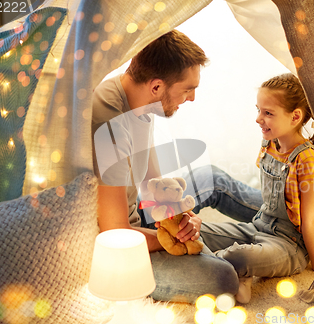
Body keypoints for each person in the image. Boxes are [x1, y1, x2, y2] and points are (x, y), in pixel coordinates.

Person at [92, 30, 258, 303]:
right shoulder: (111, 125)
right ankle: (259, 239)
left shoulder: (143, 101)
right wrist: (170, 239)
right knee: (222, 277)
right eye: (188, 89)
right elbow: (116, 232)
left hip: (137, 219)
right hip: (115, 247)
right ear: (156, 87)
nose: (192, 98)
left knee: (212, 178)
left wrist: (183, 218)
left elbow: (152, 186)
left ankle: (284, 214)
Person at [198, 73, 314, 303]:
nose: (258, 118)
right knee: (198, 230)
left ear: (295, 116)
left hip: (288, 245)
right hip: (259, 225)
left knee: (240, 255)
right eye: (258, 110)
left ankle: (231, 268)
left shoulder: (308, 160)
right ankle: (234, 272)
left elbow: (308, 222)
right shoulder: (269, 143)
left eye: (268, 113)